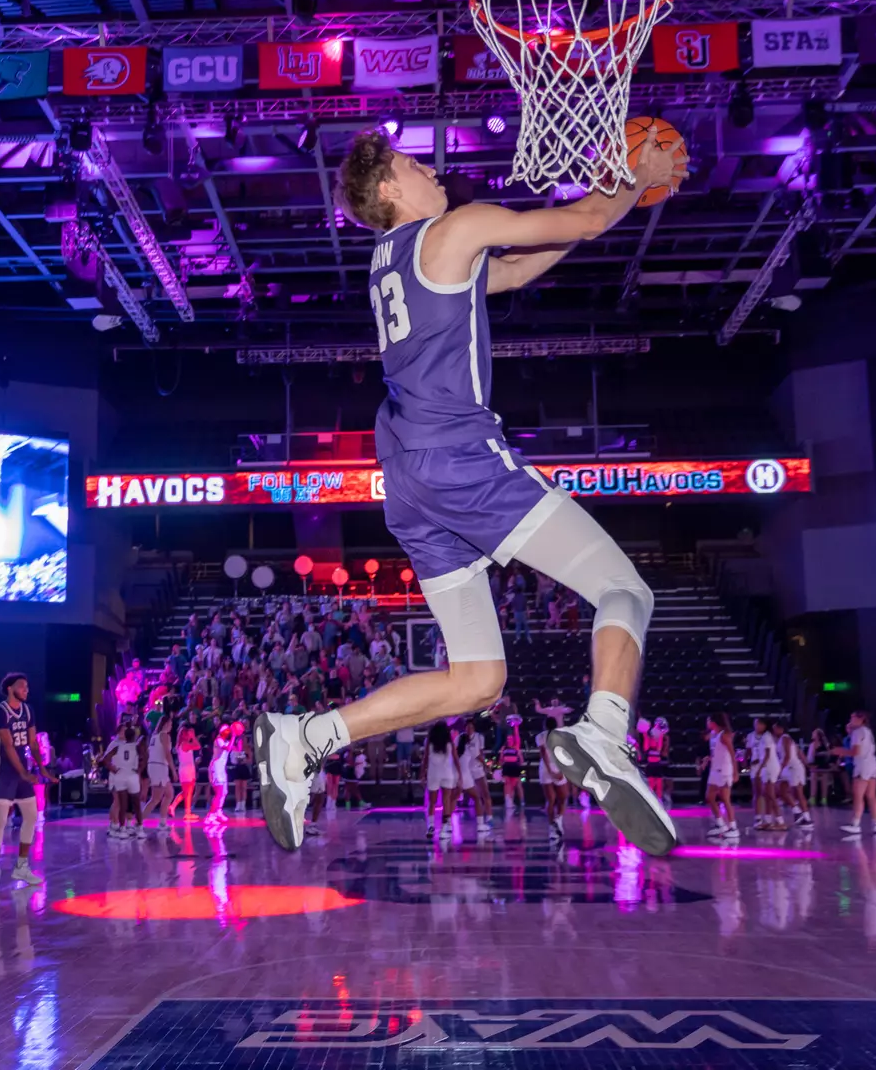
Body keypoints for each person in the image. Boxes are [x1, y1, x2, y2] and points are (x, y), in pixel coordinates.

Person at [252, 125, 689, 855]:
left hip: (409, 477)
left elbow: (518, 269)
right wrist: (631, 179)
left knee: (478, 679)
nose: (430, 169)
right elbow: (578, 219)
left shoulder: (391, 262)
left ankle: (303, 737)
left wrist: (617, 201)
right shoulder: (455, 227)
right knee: (626, 589)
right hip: (461, 461)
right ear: (388, 188)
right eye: (413, 164)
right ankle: (604, 733)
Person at [0, 674, 51, 890]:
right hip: (3, 771)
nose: (26, 690)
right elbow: (8, 745)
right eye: (22, 686)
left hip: (22, 771)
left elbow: (32, 742)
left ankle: (21, 866)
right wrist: (22, 772)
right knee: (0, 821)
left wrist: (41, 768)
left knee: (31, 815)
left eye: (28, 687)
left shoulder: (28, 710)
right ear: (10, 688)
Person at [831, 712, 876, 837]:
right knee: (871, 795)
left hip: (863, 765)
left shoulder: (858, 732)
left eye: (853, 717)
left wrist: (838, 751)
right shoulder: (867, 731)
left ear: (861, 719)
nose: (851, 720)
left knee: (858, 795)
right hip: (873, 764)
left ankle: (855, 824)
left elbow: (855, 751)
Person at [102, 720, 143, 840]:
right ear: (119, 732)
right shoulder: (115, 744)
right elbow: (107, 760)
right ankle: (114, 825)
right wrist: (115, 770)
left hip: (122, 775)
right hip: (116, 776)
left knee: (119, 802)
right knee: (117, 802)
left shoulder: (125, 744)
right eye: (124, 730)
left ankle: (114, 824)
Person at [700, 712, 738, 840]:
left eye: (708, 720)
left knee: (725, 799)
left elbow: (732, 755)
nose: (707, 722)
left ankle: (733, 827)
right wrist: (707, 759)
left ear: (714, 722)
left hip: (724, 770)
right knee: (709, 797)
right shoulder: (714, 735)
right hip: (715, 770)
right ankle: (720, 823)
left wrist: (735, 771)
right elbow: (717, 752)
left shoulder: (724, 736)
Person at [422, 721, 460, 842]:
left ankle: (431, 826)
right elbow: (455, 759)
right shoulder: (450, 743)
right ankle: (445, 827)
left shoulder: (430, 742)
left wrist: (422, 773)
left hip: (433, 774)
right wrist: (459, 774)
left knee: (432, 802)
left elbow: (425, 759)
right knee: (446, 801)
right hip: (447, 774)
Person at [140, 710, 176, 831]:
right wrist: (173, 770)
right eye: (170, 724)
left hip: (155, 766)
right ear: (165, 724)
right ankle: (138, 823)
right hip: (159, 766)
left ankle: (162, 822)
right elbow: (167, 754)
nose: (171, 726)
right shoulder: (164, 735)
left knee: (169, 793)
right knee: (155, 798)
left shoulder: (154, 737)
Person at [774, 721, 812, 828]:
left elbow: (787, 756)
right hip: (788, 768)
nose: (774, 730)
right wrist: (807, 763)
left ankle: (807, 818)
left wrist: (779, 770)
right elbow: (799, 752)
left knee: (798, 793)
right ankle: (797, 811)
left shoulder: (785, 738)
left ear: (780, 728)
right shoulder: (783, 739)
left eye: (775, 728)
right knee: (780, 789)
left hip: (794, 768)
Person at [752, 718, 783, 832]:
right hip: (767, 767)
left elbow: (767, 755)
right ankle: (768, 820)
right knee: (766, 794)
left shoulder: (767, 736)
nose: (756, 726)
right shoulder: (763, 736)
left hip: (770, 767)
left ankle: (780, 821)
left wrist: (759, 769)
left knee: (770, 794)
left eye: (759, 724)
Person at [641, 717, 670, 807]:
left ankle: (659, 801)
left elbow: (659, 749)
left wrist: (659, 738)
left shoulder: (661, 737)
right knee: (651, 784)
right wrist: (645, 735)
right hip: (651, 763)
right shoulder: (649, 736)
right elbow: (646, 748)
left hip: (657, 763)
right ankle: (651, 802)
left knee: (659, 783)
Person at [207, 724, 233, 823]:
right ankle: (210, 816)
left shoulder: (226, 741)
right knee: (219, 792)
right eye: (226, 730)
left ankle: (218, 812)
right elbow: (227, 749)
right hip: (216, 768)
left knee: (224, 792)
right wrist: (234, 736)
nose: (228, 732)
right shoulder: (218, 740)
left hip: (222, 769)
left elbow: (234, 748)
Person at [176, 724, 201, 821]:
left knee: (188, 792)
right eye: (187, 734)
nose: (188, 735)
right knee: (187, 793)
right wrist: (193, 737)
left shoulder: (181, 744)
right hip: (186, 770)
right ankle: (187, 813)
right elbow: (198, 746)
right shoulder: (184, 744)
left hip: (187, 769)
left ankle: (180, 809)